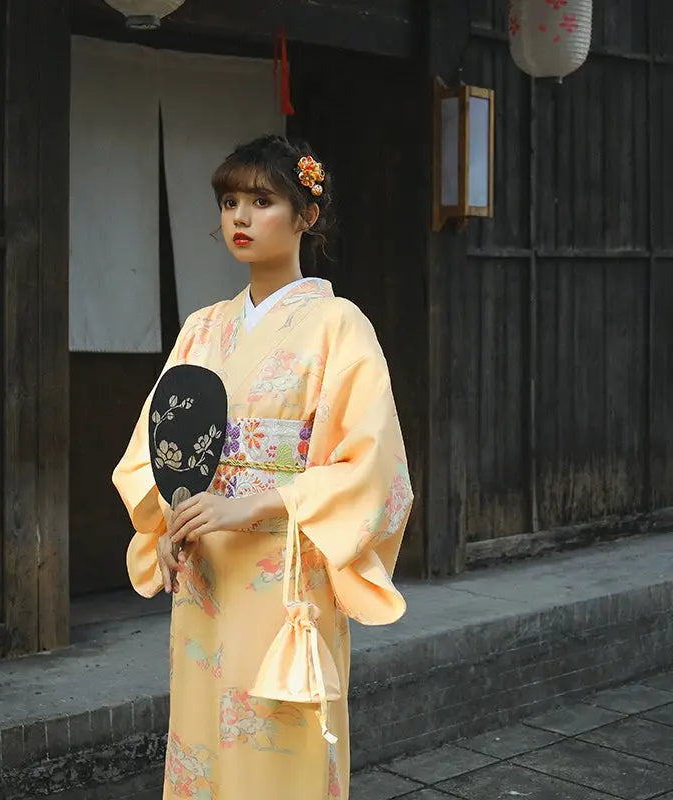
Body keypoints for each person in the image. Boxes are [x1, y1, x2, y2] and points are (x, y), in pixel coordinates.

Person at [113, 134, 413, 800]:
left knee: (280, 743)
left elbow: (373, 465)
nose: (240, 218)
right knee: (203, 740)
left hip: (286, 569)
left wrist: (251, 504)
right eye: (228, 202)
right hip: (208, 568)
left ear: (306, 216)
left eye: (261, 200)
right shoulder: (202, 329)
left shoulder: (340, 325)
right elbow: (155, 445)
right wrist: (167, 525)